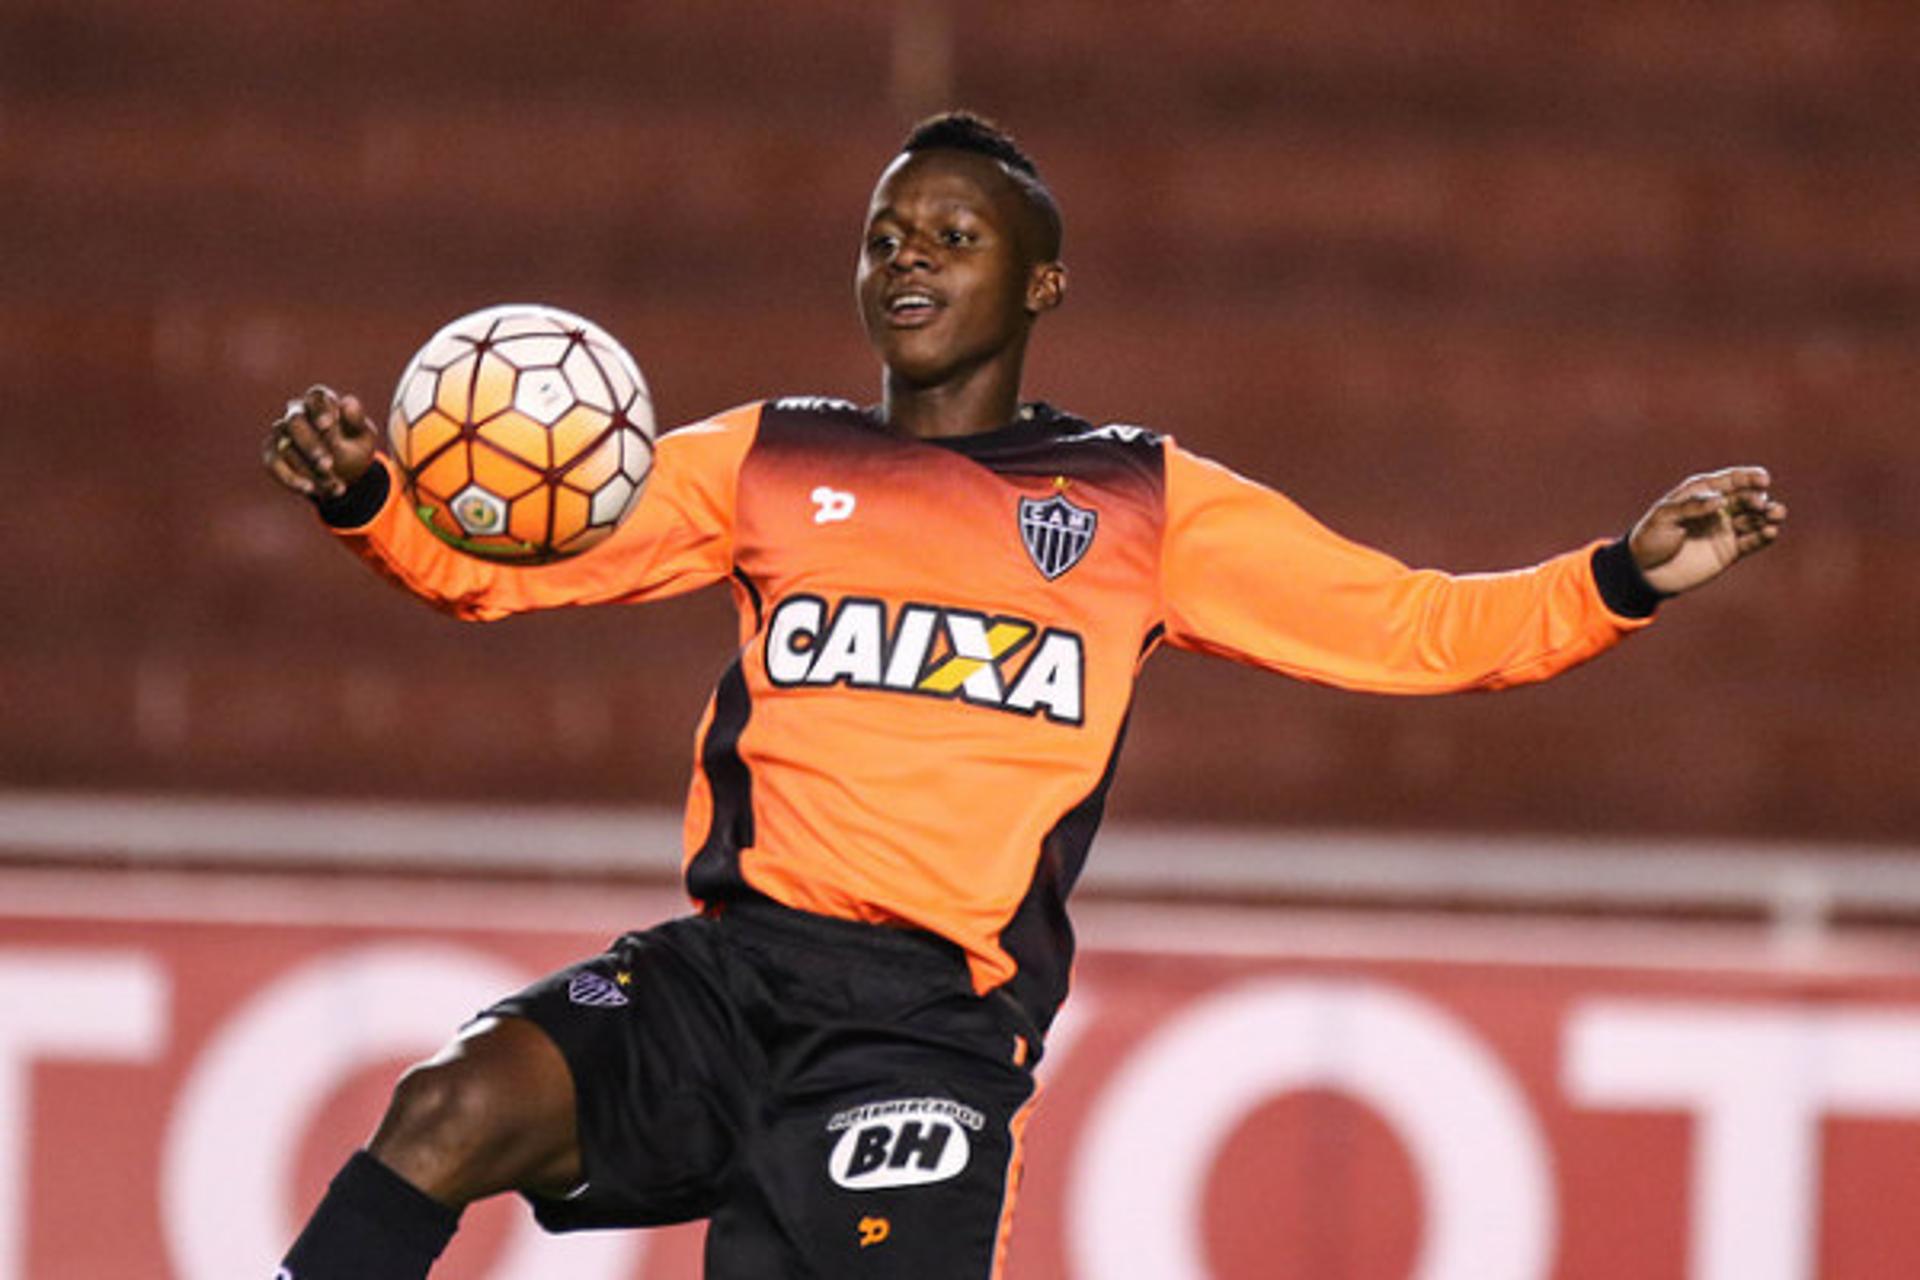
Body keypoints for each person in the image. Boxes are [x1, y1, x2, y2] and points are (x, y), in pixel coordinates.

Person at [261, 111, 1786, 1279]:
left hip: (925, 1028)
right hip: (729, 976)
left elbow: (1413, 626)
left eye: (950, 234)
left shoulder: (1140, 501)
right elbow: (514, 566)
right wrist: (378, 505)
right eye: (884, 236)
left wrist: (1620, 580)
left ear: (1040, 279)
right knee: (448, 1108)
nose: (907, 258)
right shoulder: (773, 455)